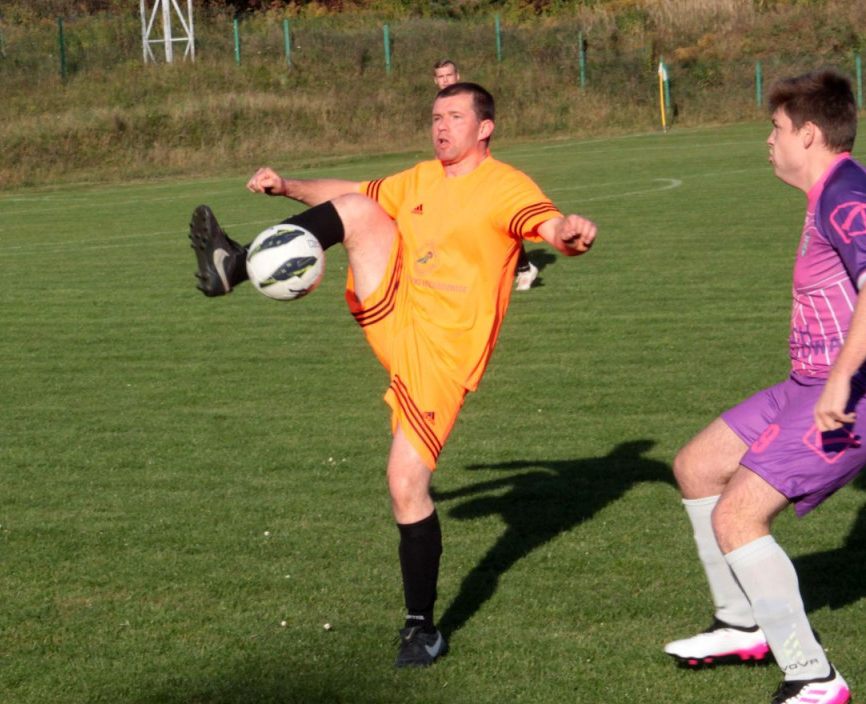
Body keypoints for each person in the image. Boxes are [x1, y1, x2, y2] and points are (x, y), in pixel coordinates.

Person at [189, 82, 597, 668]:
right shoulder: (422, 178)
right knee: (359, 209)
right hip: (396, 307)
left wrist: (568, 236)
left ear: (485, 128)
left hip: (442, 354)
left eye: (455, 116)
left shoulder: (504, 185)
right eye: (436, 116)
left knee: (404, 484)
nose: (441, 126)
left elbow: (546, 224)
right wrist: (288, 186)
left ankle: (420, 627)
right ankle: (238, 260)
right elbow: (352, 193)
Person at [665, 69, 866, 704]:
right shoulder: (844, 188)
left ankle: (812, 675)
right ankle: (740, 622)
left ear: (809, 134)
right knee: (697, 467)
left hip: (855, 395)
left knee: (738, 516)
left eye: (777, 129)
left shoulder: (844, 194)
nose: (769, 142)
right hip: (810, 385)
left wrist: (848, 376)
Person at [432, 58, 539, 291]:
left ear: (457, 76)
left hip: (474, 170)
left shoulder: (468, 99)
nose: (445, 80)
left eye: (449, 75)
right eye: (441, 77)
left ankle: (522, 267)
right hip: (450, 170)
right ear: (435, 80)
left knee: (494, 217)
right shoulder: (440, 103)